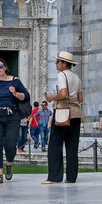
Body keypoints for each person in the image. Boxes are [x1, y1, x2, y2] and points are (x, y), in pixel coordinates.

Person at [43, 51, 84, 184]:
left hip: (62, 112)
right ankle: (71, 177)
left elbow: (63, 93)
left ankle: (54, 177)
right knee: (72, 147)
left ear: (64, 63)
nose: (56, 64)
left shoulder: (62, 75)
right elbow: (80, 98)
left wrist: (52, 98)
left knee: (55, 145)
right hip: (76, 114)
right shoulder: (77, 77)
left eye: (58, 61)